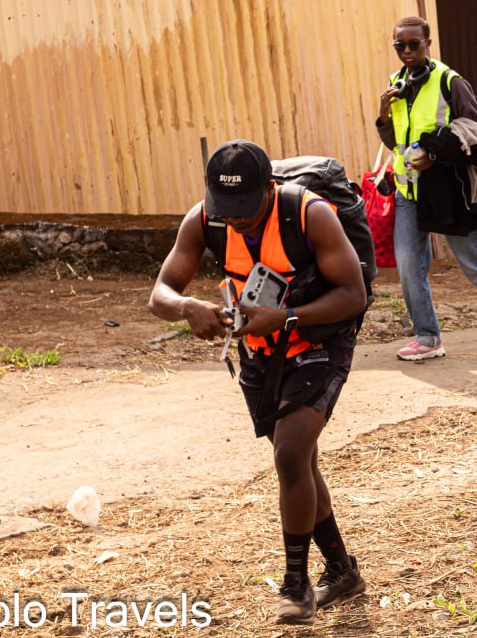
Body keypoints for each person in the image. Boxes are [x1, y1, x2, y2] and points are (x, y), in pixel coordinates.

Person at [149, 140, 368, 624]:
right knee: (300, 464)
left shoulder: (311, 215)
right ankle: (342, 570)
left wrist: (286, 317)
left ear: (270, 188)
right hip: (261, 352)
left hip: (320, 339)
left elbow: (354, 293)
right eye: (229, 212)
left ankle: (297, 585)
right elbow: (160, 292)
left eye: (246, 211)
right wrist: (187, 307)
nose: (238, 221)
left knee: (290, 453)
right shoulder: (206, 220)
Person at [375, 15, 477, 361]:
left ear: (428, 44)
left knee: (473, 262)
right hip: (409, 192)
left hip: (449, 191)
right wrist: (383, 117)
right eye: (400, 46)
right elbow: (395, 142)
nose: (407, 51)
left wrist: (434, 152)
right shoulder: (396, 82)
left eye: (413, 44)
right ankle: (427, 337)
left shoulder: (450, 82)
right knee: (408, 266)